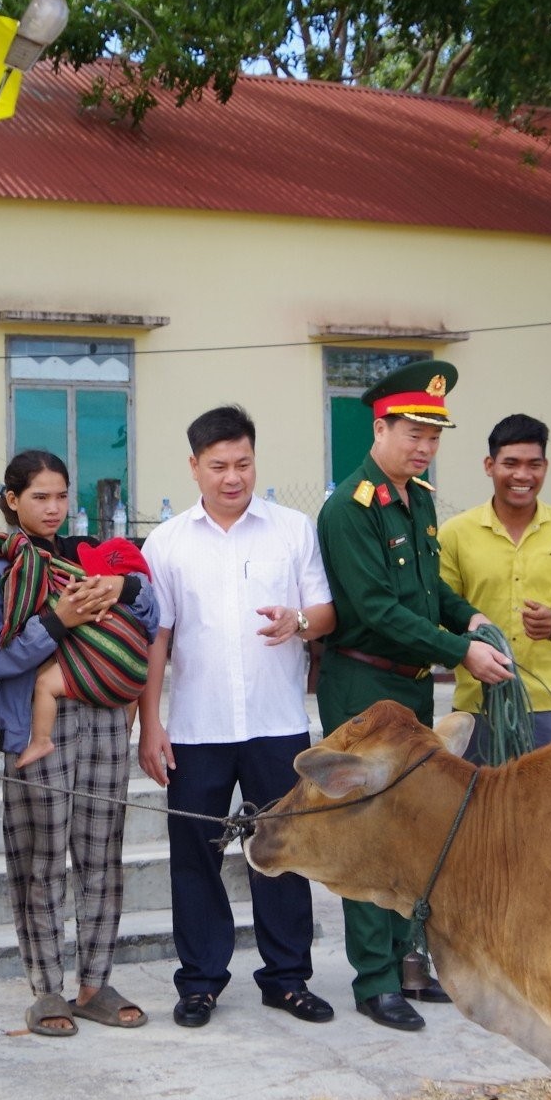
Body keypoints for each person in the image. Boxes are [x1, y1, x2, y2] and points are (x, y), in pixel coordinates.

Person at [316, 360, 515, 1031]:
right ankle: (374, 979)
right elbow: (372, 608)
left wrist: (468, 618)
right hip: (364, 684)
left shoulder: (418, 498)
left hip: (409, 685)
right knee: (367, 826)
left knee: (412, 825)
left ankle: (407, 958)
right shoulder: (351, 507)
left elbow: (426, 594)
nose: (424, 446)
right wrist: (462, 651)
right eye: (412, 432)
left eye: (434, 435)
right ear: (380, 427)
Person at [138, 405, 338, 1029]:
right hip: (197, 728)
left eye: (243, 463)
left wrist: (298, 623)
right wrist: (151, 724)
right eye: (219, 466)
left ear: (256, 460)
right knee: (194, 854)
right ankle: (200, 981)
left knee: (283, 848)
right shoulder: (165, 543)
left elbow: (325, 612)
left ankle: (286, 978)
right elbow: (157, 639)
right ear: (194, 467)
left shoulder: (291, 529)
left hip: (277, 722)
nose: (233, 477)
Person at [0, 450, 161, 1037]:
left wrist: (123, 585)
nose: (53, 509)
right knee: (42, 857)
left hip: (105, 716)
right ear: (12, 501)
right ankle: (46, 990)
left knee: (103, 851)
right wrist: (58, 620)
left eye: (60, 496)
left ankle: (95, 983)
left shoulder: (86, 557)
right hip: (36, 727)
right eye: (38, 498)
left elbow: (153, 615)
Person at [435, 414, 551, 751]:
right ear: (489, 465)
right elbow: (438, 612)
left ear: (545, 467)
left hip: (550, 705)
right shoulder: (455, 533)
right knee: (474, 802)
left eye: (533, 464)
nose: (522, 475)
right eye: (510, 463)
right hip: (476, 705)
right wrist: (466, 651)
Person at [5, 534, 155, 769]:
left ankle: (41, 741)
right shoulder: (138, 608)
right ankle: (126, 731)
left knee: (44, 683)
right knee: (128, 698)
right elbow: (153, 628)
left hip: (101, 673)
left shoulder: (88, 593)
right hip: (134, 681)